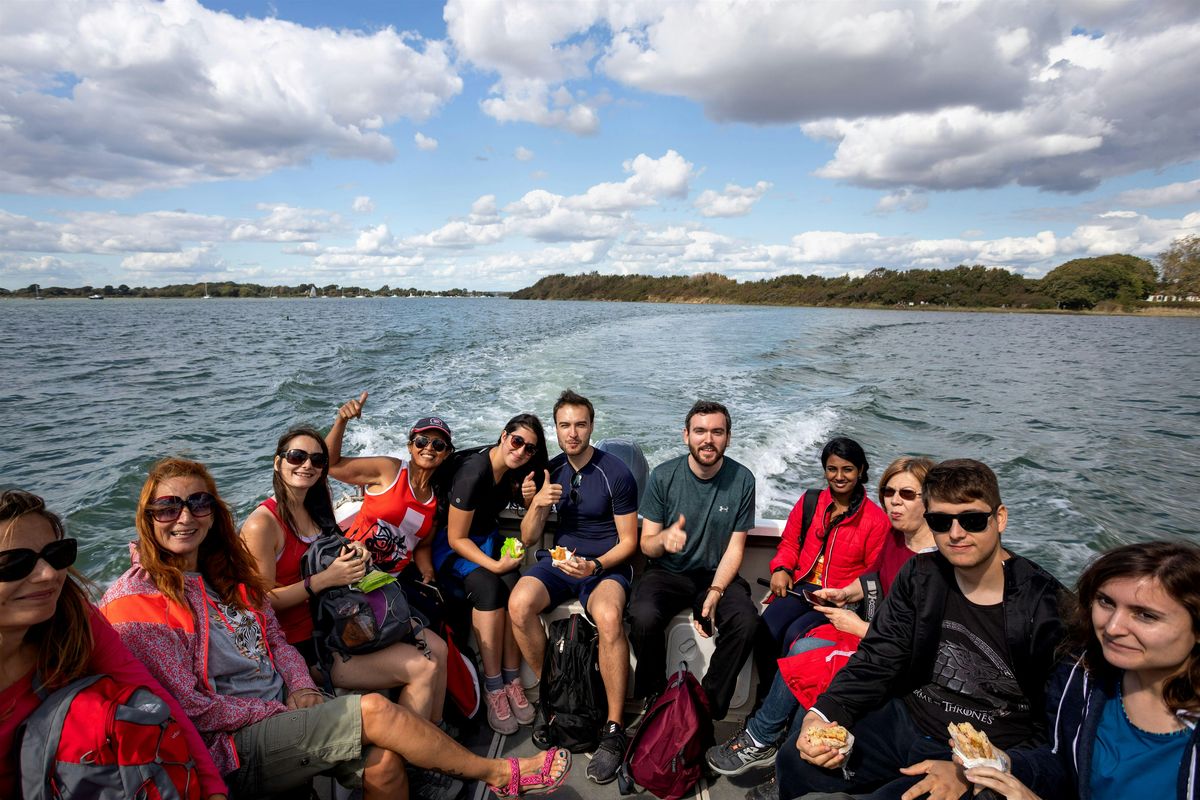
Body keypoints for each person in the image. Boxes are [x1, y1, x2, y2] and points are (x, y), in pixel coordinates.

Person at [100, 457, 570, 800]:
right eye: (168, 508)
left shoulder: (226, 577)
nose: (185, 516)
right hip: (229, 742)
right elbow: (191, 711)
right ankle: (497, 773)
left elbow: (274, 642)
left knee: (386, 762)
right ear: (147, 518)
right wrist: (276, 708)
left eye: (198, 502)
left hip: (292, 688)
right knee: (374, 712)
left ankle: (426, 762)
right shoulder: (136, 605)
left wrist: (301, 686)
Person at [777, 458, 1067, 800]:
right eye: (941, 522)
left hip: (988, 747)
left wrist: (982, 769)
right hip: (908, 719)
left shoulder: (1050, 610)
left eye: (972, 520)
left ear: (999, 518)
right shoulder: (920, 575)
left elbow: (1057, 735)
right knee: (796, 761)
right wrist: (822, 714)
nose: (956, 533)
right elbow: (879, 657)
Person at [709, 457, 935, 791]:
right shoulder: (898, 537)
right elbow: (876, 577)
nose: (894, 501)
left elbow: (919, 644)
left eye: (907, 494)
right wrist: (846, 592)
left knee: (817, 667)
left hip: (892, 656)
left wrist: (857, 626)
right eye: (888, 491)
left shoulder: (932, 562)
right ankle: (769, 740)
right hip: (872, 630)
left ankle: (774, 750)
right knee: (797, 643)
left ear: (929, 499)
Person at [0, 488, 227, 800]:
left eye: (57, 554)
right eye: (13, 563)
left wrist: (212, 789)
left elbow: (151, 692)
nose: (48, 574)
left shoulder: (73, 619)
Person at [241, 426, 450, 732]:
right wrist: (322, 580)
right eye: (297, 457)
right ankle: (418, 761)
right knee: (423, 667)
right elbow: (261, 603)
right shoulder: (263, 525)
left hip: (345, 620)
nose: (307, 465)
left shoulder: (316, 507)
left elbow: (336, 549)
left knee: (438, 648)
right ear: (277, 462)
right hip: (311, 644)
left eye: (316, 460)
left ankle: (435, 738)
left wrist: (356, 551)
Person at [964, 541, 1200, 800]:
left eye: (1145, 615)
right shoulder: (1084, 674)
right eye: (1106, 602)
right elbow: (1064, 762)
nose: (1112, 628)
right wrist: (1006, 763)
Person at [509, 389, 640, 784]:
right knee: (518, 604)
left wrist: (596, 565)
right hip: (562, 562)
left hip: (605, 565)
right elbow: (530, 538)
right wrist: (539, 504)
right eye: (565, 425)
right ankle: (554, 700)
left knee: (609, 616)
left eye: (580, 424)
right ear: (556, 428)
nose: (572, 433)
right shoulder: (550, 471)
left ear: (591, 426)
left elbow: (629, 542)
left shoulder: (615, 472)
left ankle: (614, 728)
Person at [627, 400, 758, 721]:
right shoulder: (663, 476)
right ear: (686, 435)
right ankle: (654, 695)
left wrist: (715, 592)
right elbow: (647, 545)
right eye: (700, 431)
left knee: (746, 622)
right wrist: (663, 540)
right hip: (667, 572)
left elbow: (735, 548)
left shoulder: (742, 480)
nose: (708, 439)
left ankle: (707, 704)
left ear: (728, 437)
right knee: (642, 615)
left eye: (717, 431)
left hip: (716, 574)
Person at [430, 413, 548, 735]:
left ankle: (512, 680)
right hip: (455, 549)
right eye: (517, 441)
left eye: (530, 448)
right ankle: (493, 685)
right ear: (503, 435)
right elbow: (455, 538)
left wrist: (527, 498)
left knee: (515, 588)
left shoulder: (512, 470)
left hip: (485, 540)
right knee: (490, 590)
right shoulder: (473, 473)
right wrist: (494, 565)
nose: (522, 451)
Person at [757, 437, 890, 669]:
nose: (839, 476)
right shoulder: (810, 501)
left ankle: (789, 701)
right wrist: (781, 568)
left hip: (838, 599)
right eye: (832, 469)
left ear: (860, 470)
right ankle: (765, 694)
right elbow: (789, 543)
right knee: (765, 628)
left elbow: (873, 574)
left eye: (847, 469)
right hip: (801, 588)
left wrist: (845, 595)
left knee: (795, 637)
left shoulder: (876, 520)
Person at [325, 392, 452, 584]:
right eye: (422, 441)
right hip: (350, 564)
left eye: (438, 444)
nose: (429, 447)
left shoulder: (436, 501)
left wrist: (427, 571)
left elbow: (422, 546)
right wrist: (341, 421)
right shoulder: (390, 470)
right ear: (410, 446)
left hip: (388, 580)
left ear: (447, 454)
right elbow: (330, 465)